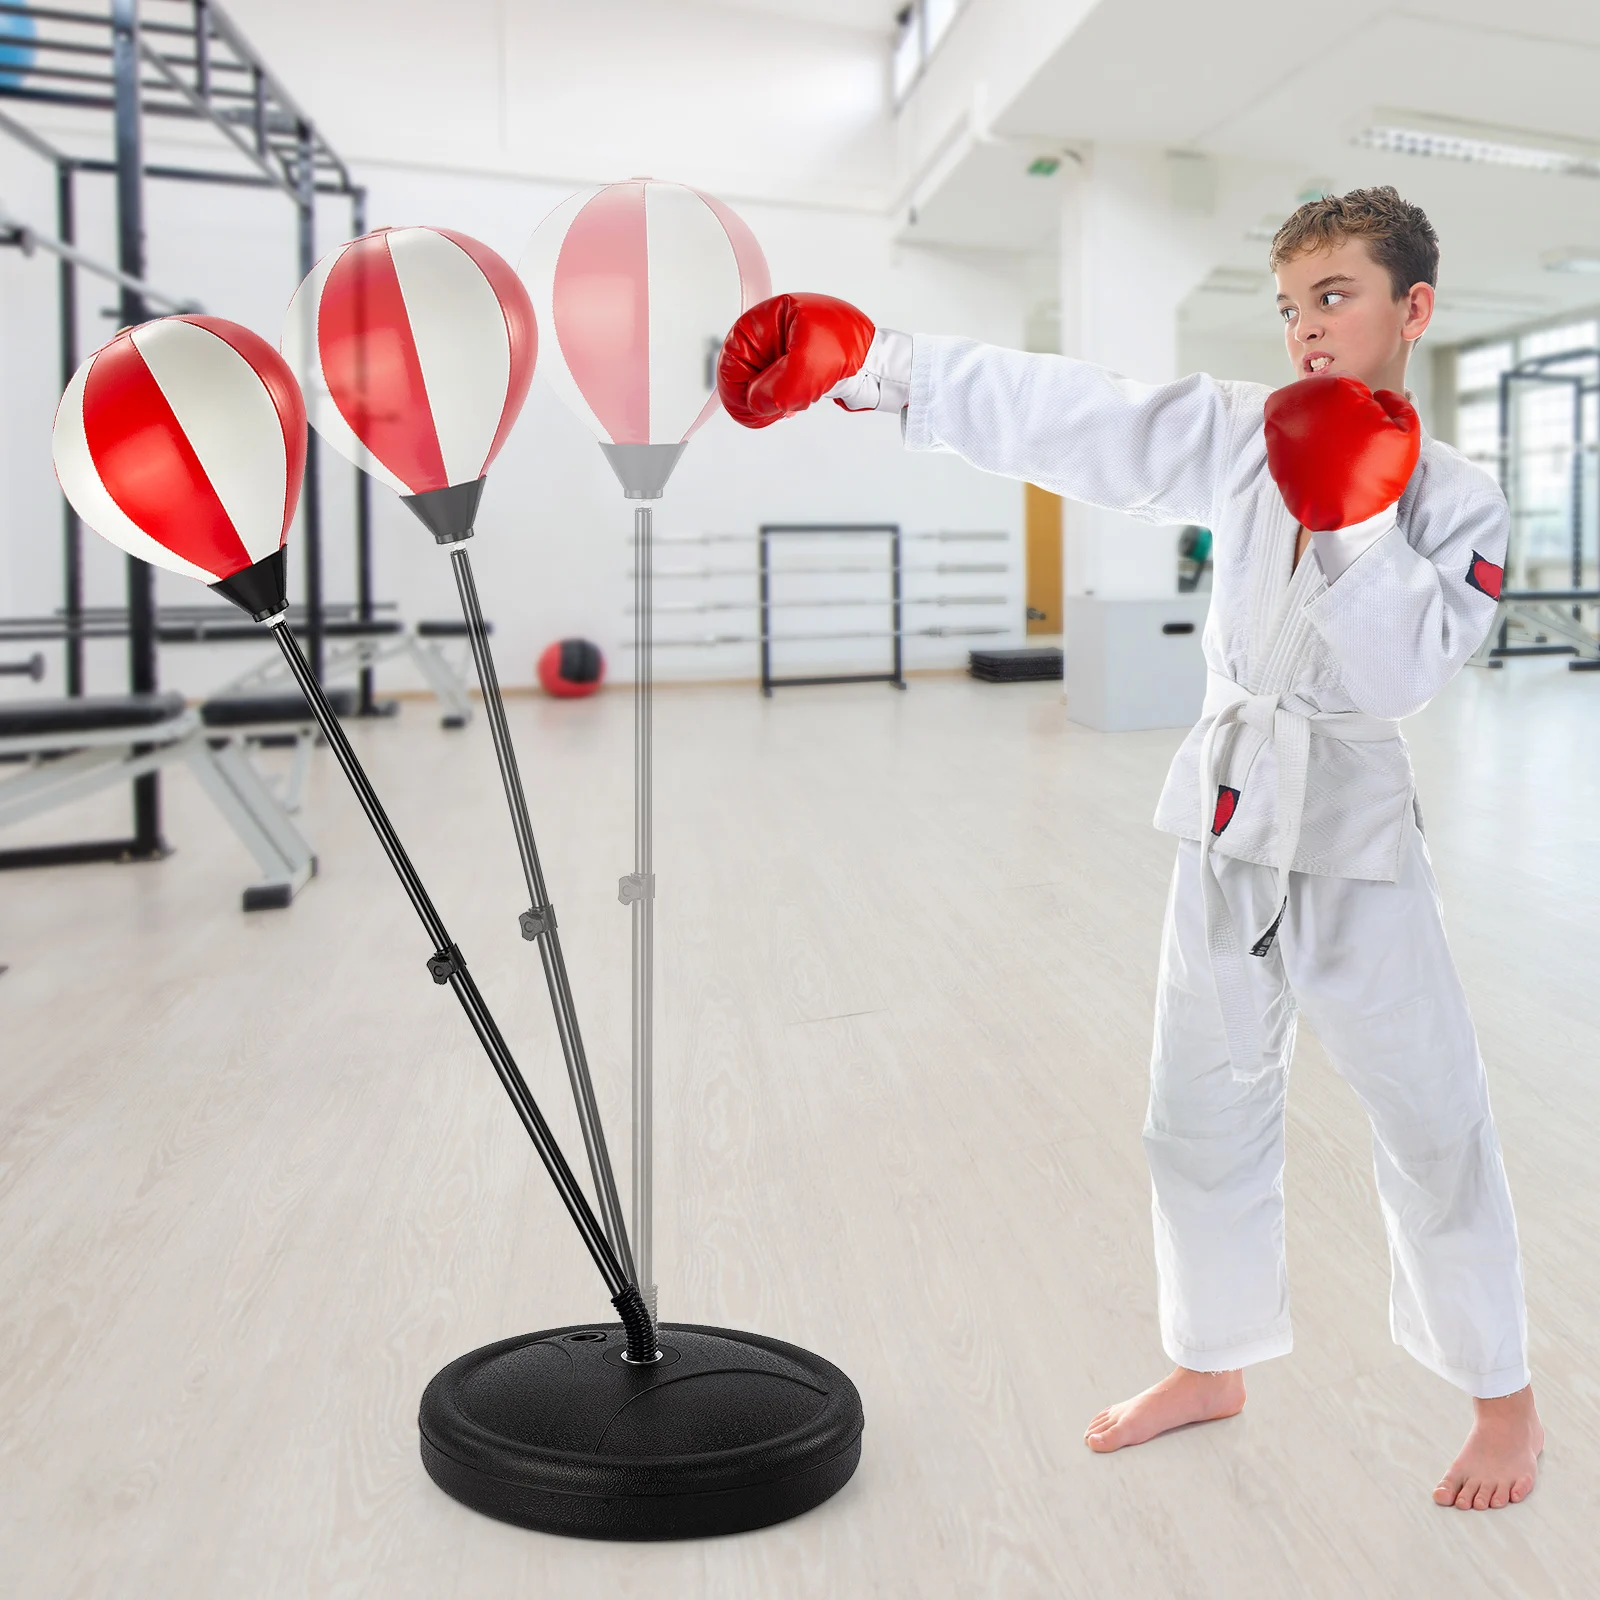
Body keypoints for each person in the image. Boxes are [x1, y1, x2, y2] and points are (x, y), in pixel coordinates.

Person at [716, 186, 1541, 1512]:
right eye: (1290, 306)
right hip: (1225, 809)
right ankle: (1212, 1363)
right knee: (1197, 1113)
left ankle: (1503, 1400)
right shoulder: (1239, 432)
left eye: (1335, 297)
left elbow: (1396, 680)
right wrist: (884, 367)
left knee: (1430, 1117)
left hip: (1356, 828)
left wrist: (1358, 520)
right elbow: (1080, 415)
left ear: (1413, 309)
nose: (1306, 330)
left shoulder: (1461, 496)